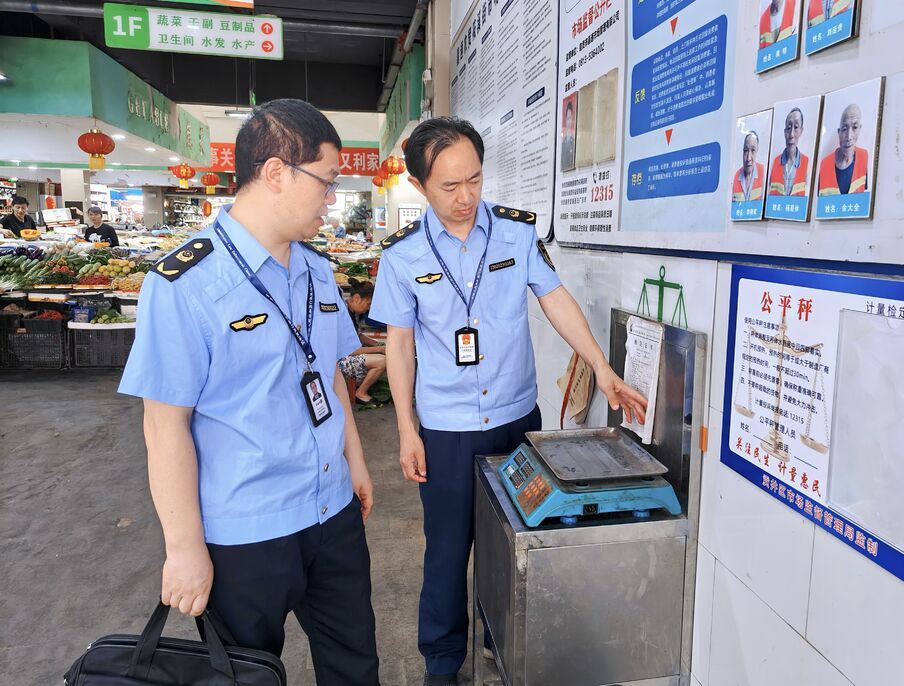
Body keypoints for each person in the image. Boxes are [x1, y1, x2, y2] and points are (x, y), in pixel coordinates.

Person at [369, 117, 647, 686]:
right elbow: (398, 346)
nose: (467, 196)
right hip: (446, 428)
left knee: (516, 540)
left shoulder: (516, 234)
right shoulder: (401, 257)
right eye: (450, 186)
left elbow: (555, 299)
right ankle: (443, 663)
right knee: (447, 552)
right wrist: (406, 428)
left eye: (474, 179)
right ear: (420, 185)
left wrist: (601, 365)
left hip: (518, 418)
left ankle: (502, 635)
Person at [118, 99, 379, 685]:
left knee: (356, 663)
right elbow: (164, 427)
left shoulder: (316, 270)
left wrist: (355, 462)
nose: (331, 199)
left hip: (331, 511)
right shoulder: (184, 284)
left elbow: (331, 376)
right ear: (277, 172)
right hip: (245, 533)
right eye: (327, 181)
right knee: (246, 675)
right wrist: (184, 548)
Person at [339, 277, 387, 405]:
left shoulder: (352, 311)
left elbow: (359, 336)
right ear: (356, 298)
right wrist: (380, 349)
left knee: (382, 354)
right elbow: (352, 350)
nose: (368, 308)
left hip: (348, 355)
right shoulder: (343, 315)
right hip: (340, 361)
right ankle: (360, 393)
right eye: (368, 304)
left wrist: (379, 344)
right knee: (382, 361)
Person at [818, 104, 869, 196]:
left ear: (860, 129)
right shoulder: (824, 165)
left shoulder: (864, 157)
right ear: (839, 132)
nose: (849, 136)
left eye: (854, 128)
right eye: (844, 129)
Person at [768, 108, 810, 197]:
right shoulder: (774, 162)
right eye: (788, 128)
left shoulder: (807, 163)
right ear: (784, 132)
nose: (791, 135)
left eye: (796, 127)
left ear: (801, 131)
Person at [732, 132, 764, 202]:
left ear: (757, 150)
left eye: (753, 150)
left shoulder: (763, 173)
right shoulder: (735, 178)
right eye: (746, 151)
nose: (748, 158)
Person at [561, 98, 577, 172]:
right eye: (567, 118)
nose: (568, 121)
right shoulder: (562, 142)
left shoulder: (574, 140)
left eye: (570, 118)